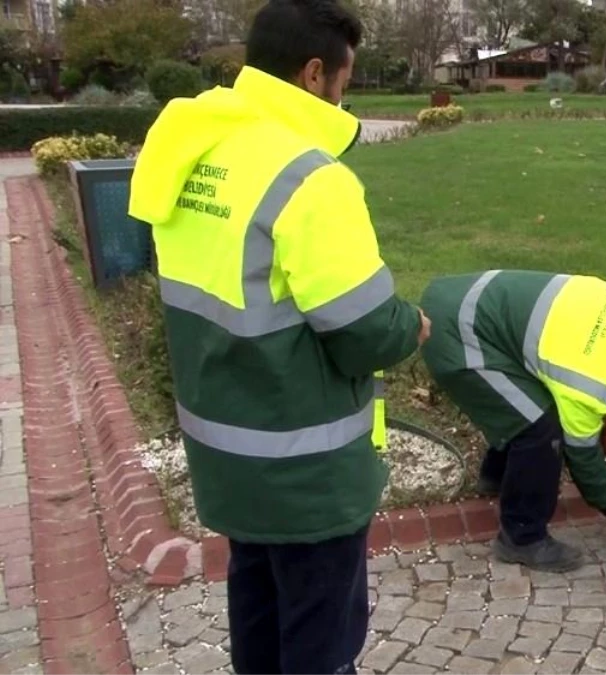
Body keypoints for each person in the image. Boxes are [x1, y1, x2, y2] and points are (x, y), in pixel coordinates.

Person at [127, 0, 429, 672]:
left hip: (226, 453)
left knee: (257, 613)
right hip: (305, 469)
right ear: (314, 73)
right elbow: (364, 331)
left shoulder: (194, 145)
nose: (344, 97)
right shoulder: (310, 177)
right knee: (322, 643)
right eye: (345, 83)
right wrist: (411, 323)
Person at [419, 270, 606, 572]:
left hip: (466, 293)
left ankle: (497, 477)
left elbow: (584, 356)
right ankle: (521, 537)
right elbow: (583, 456)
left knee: (526, 405)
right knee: (540, 429)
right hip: (455, 332)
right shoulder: (587, 384)